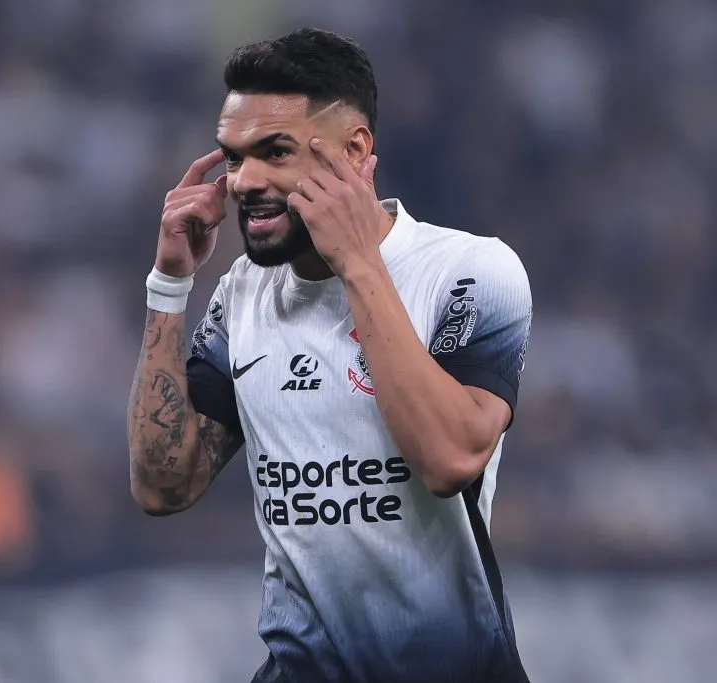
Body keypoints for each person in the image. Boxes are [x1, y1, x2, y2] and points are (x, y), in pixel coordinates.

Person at [127, 27, 533, 683]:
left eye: (275, 152)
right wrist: (170, 285)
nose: (245, 181)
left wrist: (357, 264)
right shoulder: (242, 295)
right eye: (233, 158)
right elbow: (163, 486)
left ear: (355, 150)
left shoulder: (471, 271)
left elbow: (450, 459)